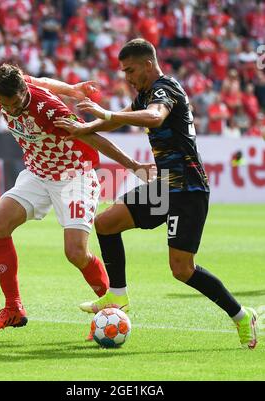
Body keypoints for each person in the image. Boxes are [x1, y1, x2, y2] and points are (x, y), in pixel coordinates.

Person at [53, 38, 258, 349]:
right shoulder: (145, 93)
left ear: (148, 64)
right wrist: (86, 127)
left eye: (131, 70)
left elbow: (155, 117)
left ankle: (242, 315)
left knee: (182, 269)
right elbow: (121, 117)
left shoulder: (165, 88)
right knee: (106, 223)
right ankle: (118, 295)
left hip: (188, 188)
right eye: (124, 72)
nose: (127, 78)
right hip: (166, 185)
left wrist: (106, 115)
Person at [0, 63, 154, 332]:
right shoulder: (8, 89)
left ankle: (112, 310)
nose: (12, 109)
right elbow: (41, 80)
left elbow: (94, 137)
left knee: (75, 252)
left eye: (16, 103)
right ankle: (13, 309)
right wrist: (72, 89)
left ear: (24, 91)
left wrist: (133, 166)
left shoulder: (49, 110)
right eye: (7, 104)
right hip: (39, 171)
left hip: (75, 174)